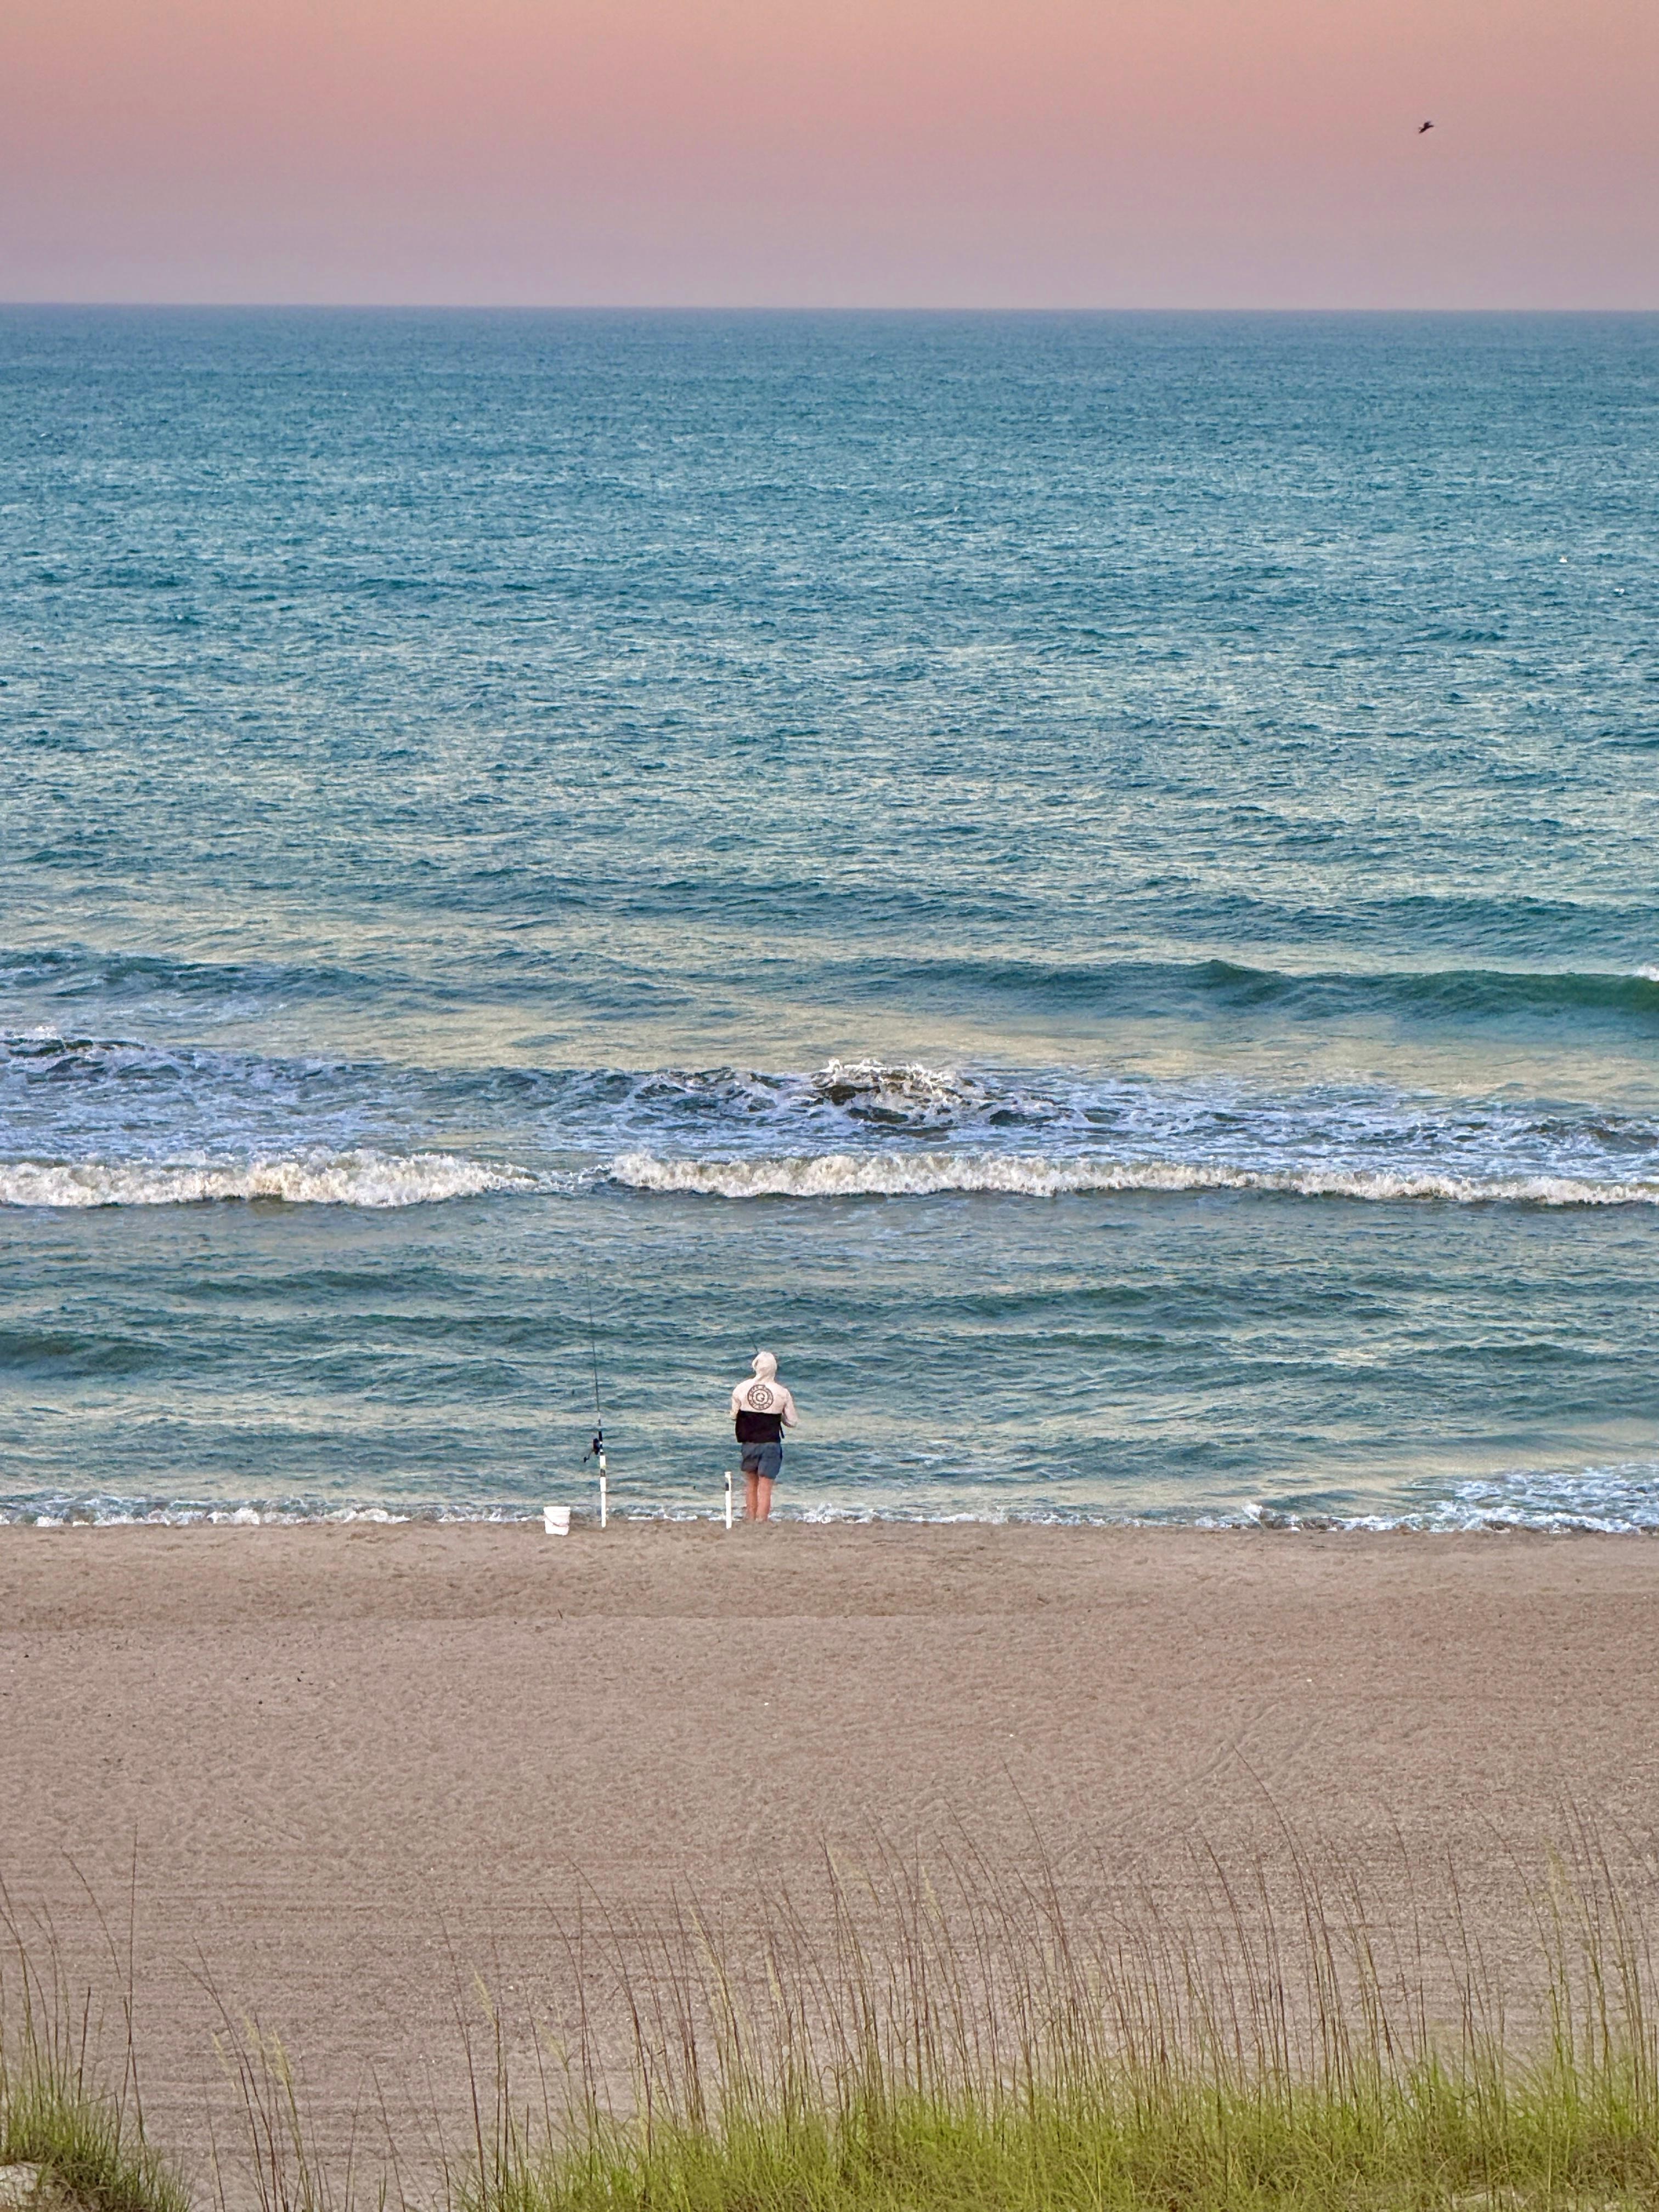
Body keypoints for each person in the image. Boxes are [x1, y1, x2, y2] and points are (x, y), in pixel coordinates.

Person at [730, 1350, 798, 1521]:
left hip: (749, 1443)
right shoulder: (782, 1392)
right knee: (766, 1486)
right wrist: (777, 1413)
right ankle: (762, 1520)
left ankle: (751, 1518)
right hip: (771, 1444)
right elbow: (792, 1422)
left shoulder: (741, 1388)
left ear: (756, 1366)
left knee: (751, 1484)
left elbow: (733, 1415)